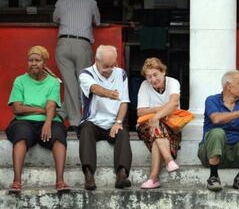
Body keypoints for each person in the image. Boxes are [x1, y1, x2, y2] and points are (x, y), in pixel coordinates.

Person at [6, 45, 70, 193]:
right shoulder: (20, 81)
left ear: (44, 63)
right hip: (23, 121)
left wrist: (47, 123)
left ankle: (60, 181)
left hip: (49, 120)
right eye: (30, 60)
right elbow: (17, 108)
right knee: (21, 135)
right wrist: (41, 110)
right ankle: (17, 181)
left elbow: (51, 105)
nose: (34, 63)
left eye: (37, 60)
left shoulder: (53, 82)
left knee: (59, 135)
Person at [198, 70, 239, 192]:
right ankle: (213, 177)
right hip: (210, 153)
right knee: (217, 132)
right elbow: (216, 119)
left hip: (235, 154)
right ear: (228, 86)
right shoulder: (212, 100)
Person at [78, 45, 132, 190]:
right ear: (96, 60)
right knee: (86, 129)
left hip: (113, 122)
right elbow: (94, 88)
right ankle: (89, 175)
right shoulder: (86, 74)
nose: (109, 70)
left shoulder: (121, 74)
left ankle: (122, 174)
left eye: (112, 65)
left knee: (123, 133)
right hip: (93, 122)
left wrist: (118, 122)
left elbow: (124, 102)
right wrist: (109, 93)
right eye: (105, 66)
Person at [53, 0, 101, 129]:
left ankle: (62, 113)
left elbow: (55, 19)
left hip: (63, 44)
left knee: (70, 83)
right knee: (82, 83)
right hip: (82, 44)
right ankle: (76, 121)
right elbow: (98, 22)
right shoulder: (91, 2)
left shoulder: (60, 2)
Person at [136, 57, 181, 189]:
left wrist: (156, 116)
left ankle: (153, 178)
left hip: (170, 126)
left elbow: (174, 103)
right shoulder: (145, 85)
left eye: (155, 74)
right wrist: (160, 111)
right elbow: (140, 112)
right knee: (157, 128)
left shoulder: (173, 82)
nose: (153, 79)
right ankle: (169, 160)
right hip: (147, 126)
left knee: (157, 136)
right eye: (149, 76)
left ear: (163, 72)